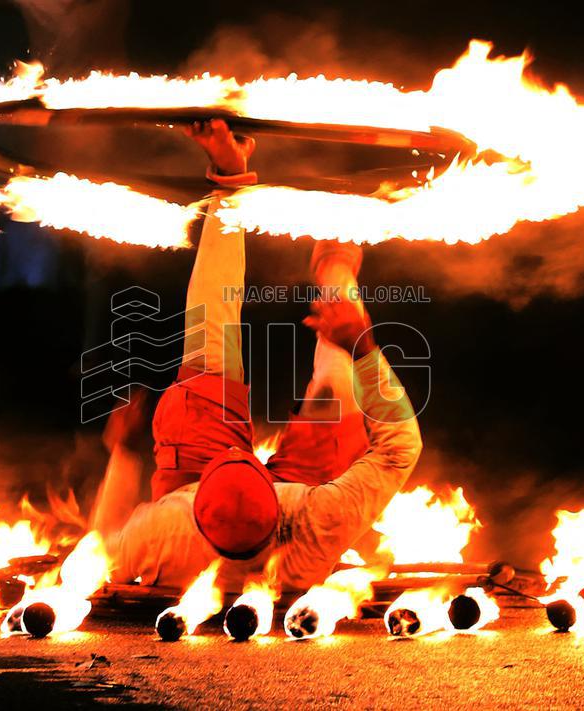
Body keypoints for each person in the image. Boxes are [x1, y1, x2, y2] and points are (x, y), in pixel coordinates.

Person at [100, 119, 422, 591]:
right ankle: (336, 255)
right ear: (277, 504)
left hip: (197, 497)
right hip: (295, 503)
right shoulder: (316, 522)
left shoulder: (164, 536)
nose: (241, 452)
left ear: (201, 504)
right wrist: (363, 347)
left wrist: (122, 456)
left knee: (209, 334)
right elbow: (400, 451)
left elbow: (103, 540)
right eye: (243, 460)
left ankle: (230, 179)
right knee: (338, 369)